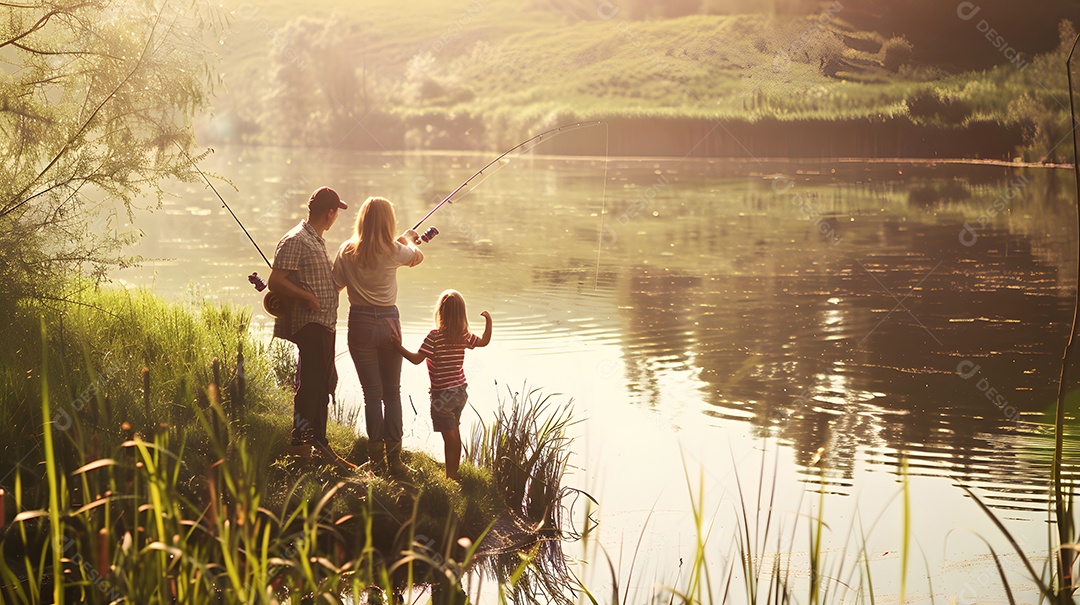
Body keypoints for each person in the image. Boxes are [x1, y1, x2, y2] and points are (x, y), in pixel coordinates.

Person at [332, 197, 424, 476]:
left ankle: (375, 462)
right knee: (392, 393)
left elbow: (335, 285)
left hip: (359, 322)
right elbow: (417, 257)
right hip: (389, 324)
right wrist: (407, 240)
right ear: (388, 222)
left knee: (371, 395)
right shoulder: (395, 250)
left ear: (361, 219)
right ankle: (395, 461)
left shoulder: (346, 250)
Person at [268, 186, 351, 466]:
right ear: (330, 213)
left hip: (325, 323)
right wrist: (307, 297)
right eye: (336, 211)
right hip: (311, 324)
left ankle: (319, 444)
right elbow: (276, 281)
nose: (336, 216)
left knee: (322, 384)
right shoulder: (297, 239)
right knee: (311, 386)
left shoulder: (315, 239)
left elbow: (319, 282)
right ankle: (301, 447)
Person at [394, 290, 492, 480]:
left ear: (441, 312)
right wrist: (488, 321)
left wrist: (398, 347)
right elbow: (485, 341)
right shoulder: (463, 336)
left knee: (450, 438)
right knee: (454, 432)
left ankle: (451, 477)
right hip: (461, 392)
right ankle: (454, 473)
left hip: (442, 395)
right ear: (461, 314)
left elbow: (416, 359)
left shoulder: (434, 337)